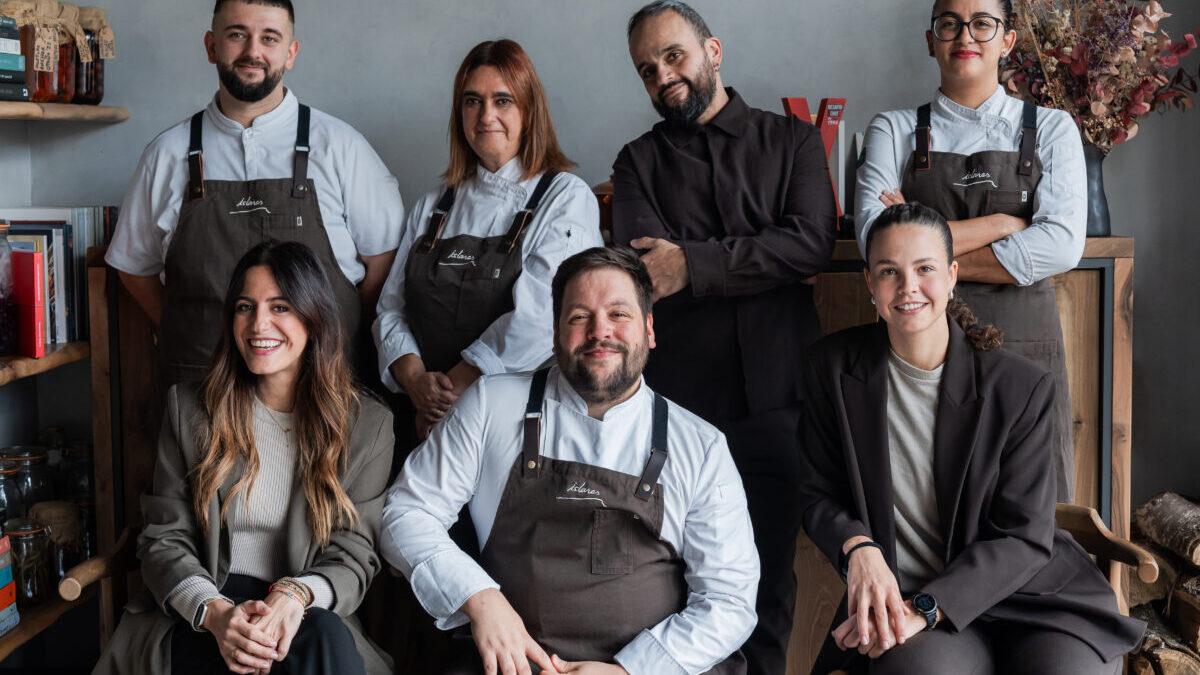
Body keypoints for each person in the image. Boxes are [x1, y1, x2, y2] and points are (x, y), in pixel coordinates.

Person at [798, 203, 1144, 674]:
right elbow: (816, 493)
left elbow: (1024, 537)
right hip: (914, 607)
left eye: (925, 268)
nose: (908, 288)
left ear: (952, 275)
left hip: (1034, 599)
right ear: (868, 284)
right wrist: (857, 548)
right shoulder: (831, 370)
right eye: (888, 272)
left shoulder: (1021, 388)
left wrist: (926, 607)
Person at [381, 247, 758, 675]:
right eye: (579, 317)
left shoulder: (701, 447)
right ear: (555, 333)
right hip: (511, 665)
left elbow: (729, 602)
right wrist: (479, 597)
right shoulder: (490, 405)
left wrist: (627, 670)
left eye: (619, 314)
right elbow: (406, 512)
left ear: (649, 329)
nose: (601, 332)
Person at [612, 2, 837, 671]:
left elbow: (810, 246)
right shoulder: (636, 163)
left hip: (781, 400)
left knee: (767, 586)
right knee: (674, 586)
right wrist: (747, 259)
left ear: (713, 50)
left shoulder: (793, 142)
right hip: (678, 407)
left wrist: (696, 263)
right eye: (647, 69)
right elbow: (649, 270)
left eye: (674, 56)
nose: (663, 76)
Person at [93, 241, 394, 675]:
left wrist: (293, 596)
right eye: (245, 306)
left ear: (314, 318)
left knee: (322, 639)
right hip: (201, 607)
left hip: (304, 611)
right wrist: (215, 615)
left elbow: (354, 552)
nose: (258, 324)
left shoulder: (368, 427)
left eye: (280, 307)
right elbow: (164, 538)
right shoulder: (189, 410)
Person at [855, 0, 1086, 502]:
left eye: (983, 23)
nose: (965, 36)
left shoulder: (1051, 128)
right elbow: (877, 239)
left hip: (1024, 348)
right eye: (949, 24)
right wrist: (1002, 225)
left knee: (1031, 506)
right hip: (918, 354)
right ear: (930, 40)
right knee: (924, 504)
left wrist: (918, 246)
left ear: (1007, 40)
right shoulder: (892, 129)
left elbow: (1063, 244)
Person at [105, 0, 404, 386]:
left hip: (321, 396)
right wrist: (189, 330)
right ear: (212, 46)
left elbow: (384, 266)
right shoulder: (165, 154)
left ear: (291, 52)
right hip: (202, 396)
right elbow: (134, 269)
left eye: (269, 38)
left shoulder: (343, 149)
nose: (253, 52)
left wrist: (335, 329)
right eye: (237, 35)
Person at [373, 38, 601, 444]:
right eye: (472, 101)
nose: (486, 115)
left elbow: (541, 318)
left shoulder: (564, 197)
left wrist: (451, 391)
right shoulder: (431, 207)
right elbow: (390, 309)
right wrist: (415, 383)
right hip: (422, 420)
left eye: (503, 100)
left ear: (529, 111)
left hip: (512, 422)